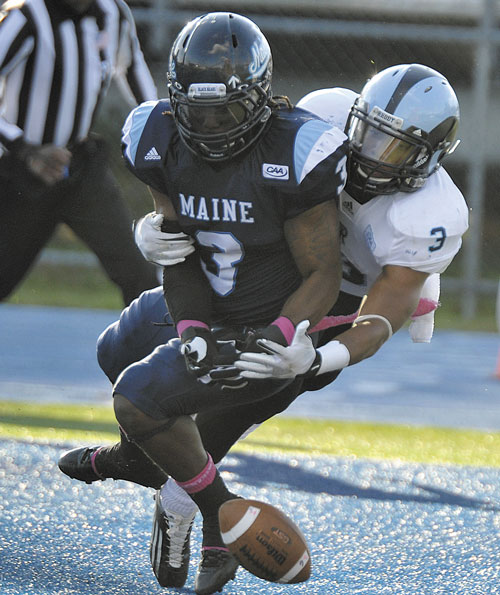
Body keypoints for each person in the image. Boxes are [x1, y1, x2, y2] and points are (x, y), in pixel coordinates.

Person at [58, 11, 349, 595]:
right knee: (114, 349)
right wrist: (189, 322)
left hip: (261, 327)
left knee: (139, 404)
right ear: (175, 101)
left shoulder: (299, 149)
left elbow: (324, 270)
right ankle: (163, 471)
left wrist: (282, 331)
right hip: (198, 297)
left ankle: (207, 504)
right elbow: (182, 247)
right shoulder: (157, 136)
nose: (212, 126)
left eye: (227, 111)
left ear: (261, 101)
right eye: (200, 111)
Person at [0, 0, 159, 305]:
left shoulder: (111, 12)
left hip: (82, 168)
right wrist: (25, 148)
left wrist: (154, 121)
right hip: (22, 174)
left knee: (138, 275)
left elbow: (130, 64)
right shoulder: (26, 16)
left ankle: (157, 352)